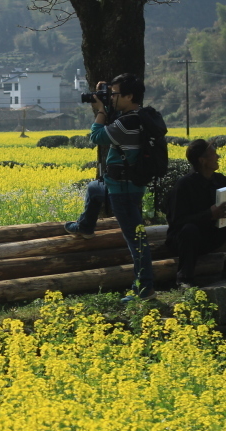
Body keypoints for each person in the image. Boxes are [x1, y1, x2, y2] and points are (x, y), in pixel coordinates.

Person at [64, 73, 154, 302]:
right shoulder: (139, 117)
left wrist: (101, 110)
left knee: (136, 240)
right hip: (126, 184)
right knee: (94, 188)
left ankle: (144, 289)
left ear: (129, 96)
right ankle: (85, 226)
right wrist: (105, 100)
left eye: (115, 94)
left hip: (123, 191)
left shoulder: (126, 123)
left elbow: (96, 136)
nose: (111, 97)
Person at [166, 140, 226, 287]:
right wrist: (210, 214)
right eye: (213, 154)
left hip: (210, 235)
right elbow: (177, 221)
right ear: (202, 160)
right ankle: (184, 279)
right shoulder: (184, 185)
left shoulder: (220, 180)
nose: (218, 157)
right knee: (189, 229)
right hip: (184, 240)